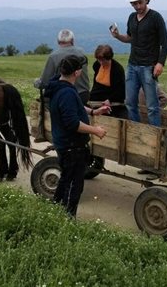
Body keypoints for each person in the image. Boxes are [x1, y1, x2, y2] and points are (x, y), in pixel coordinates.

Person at [44, 55, 109, 217]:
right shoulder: (66, 93)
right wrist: (96, 130)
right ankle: (67, 217)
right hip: (71, 146)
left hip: (66, 144)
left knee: (66, 179)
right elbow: (73, 123)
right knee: (74, 185)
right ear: (77, 73)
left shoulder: (58, 86)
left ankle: (55, 210)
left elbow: (76, 107)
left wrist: (94, 111)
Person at [110, 0, 167, 126]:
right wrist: (118, 36)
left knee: (152, 106)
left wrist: (160, 63)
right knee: (130, 103)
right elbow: (130, 38)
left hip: (149, 66)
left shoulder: (156, 17)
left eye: (140, 3)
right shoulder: (131, 17)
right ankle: (137, 131)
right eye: (134, 4)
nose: (138, 6)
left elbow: (165, 43)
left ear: (147, 0)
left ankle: (155, 135)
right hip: (132, 65)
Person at [35, 29, 90, 104]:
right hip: (83, 95)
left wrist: (36, 82)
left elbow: (45, 83)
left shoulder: (53, 56)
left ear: (58, 41)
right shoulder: (81, 52)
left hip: (64, 97)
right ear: (73, 40)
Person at [89, 44, 127, 118]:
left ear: (109, 58)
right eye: (99, 60)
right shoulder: (96, 65)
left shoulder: (117, 69)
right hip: (96, 97)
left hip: (111, 97)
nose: (101, 62)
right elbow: (95, 84)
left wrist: (110, 100)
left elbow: (121, 91)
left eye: (103, 60)